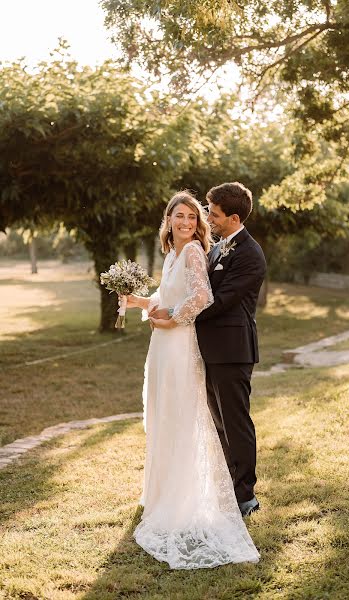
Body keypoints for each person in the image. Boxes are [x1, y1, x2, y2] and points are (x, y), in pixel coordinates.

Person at [124, 190, 259, 570]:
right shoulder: (174, 254)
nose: (186, 223)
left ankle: (202, 499)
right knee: (165, 418)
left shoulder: (198, 251)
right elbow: (169, 296)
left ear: (199, 222)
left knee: (188, 419)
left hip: (183, 345)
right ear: (167, 220)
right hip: (164, 346)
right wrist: (139, 302)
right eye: (178, 217)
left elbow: (201, 298)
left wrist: (172, 318)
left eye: (192, 217)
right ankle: (163, 493)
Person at [151, 183, 267, 517]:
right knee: (218, 424)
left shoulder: (250, 255)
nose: (208, 218)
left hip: (233, 350)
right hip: (207, 349)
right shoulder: (217, 249)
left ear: (233, 217)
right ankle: (228, 487)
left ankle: (246, 495)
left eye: (213, 214)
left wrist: (176, 315)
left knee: (236, 423)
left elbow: (220, 301)